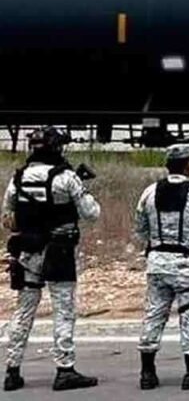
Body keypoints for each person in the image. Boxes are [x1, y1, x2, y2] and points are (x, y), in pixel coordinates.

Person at [3, 126, 101, 392]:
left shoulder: (18, 178)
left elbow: (8, 218)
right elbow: (91, 213)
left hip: (28, 252)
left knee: (23, 311)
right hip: (59, 253)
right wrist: (84, 190)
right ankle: (64, 370)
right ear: (56, 147)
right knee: (64, 310)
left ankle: (12, 371)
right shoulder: (66, 177)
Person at [134, 144, 189, 391]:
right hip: (187, 264)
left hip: (157, 263)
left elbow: (140, 228)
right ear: (188, 165)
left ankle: (147, 373)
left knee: (154, 313)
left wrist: (156, 247)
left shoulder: (149, 192)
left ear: (167, 165)